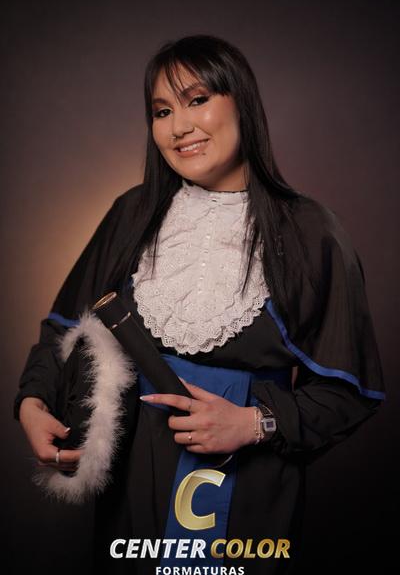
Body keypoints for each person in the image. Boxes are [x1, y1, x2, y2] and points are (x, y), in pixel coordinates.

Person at [14, 34, 385, 574]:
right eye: (162, 111)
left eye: (197, 100)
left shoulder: (310, 232)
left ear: (241, 102)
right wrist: (32, 402)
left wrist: (254, 424)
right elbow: (66, 326)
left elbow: (349, 391)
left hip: (245, 486)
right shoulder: (132, 213)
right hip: (131, 475)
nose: (179, 126)